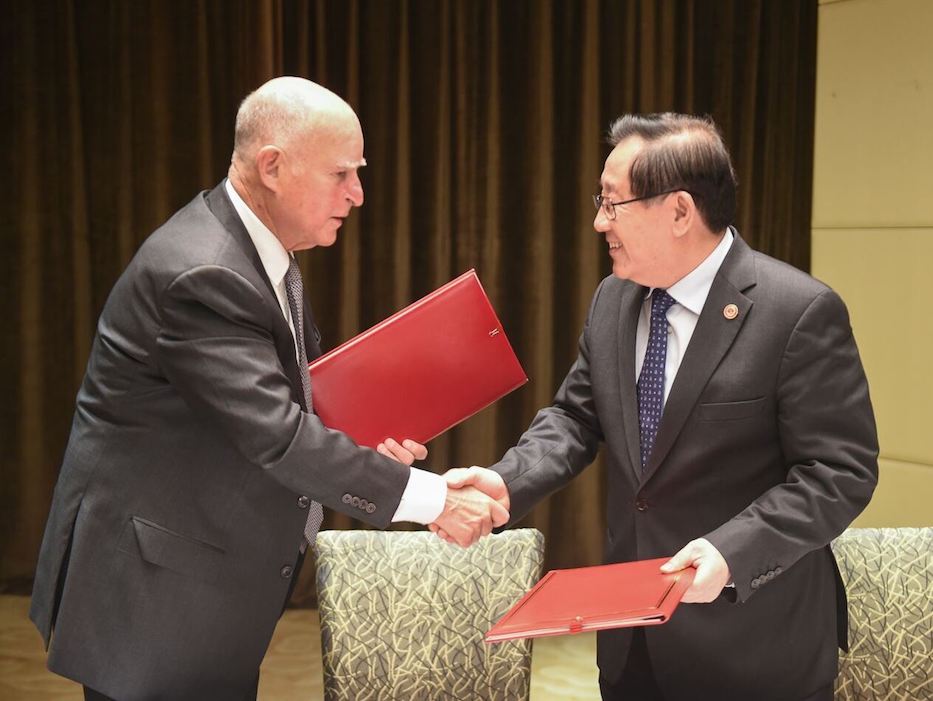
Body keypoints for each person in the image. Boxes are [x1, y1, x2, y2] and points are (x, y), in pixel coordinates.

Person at [30, 77, 506, 701]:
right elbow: (278, 435)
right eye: (341, 174)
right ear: (273, 166)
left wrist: (355, 442)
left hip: (198, 585)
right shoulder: (202, 272)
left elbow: (282, 404)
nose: (358, 194)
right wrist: (433, 500)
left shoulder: (258, 250)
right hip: (155, 598)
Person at [436, 113, 878, 701]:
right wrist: (504, 481)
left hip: (754, 645)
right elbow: (575, 417)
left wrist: (731, 550)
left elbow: (840, 472)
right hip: (632, 645)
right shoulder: (615, 297)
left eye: (613, 203)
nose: (599, 221)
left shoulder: (797, 312)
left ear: (678, 211)